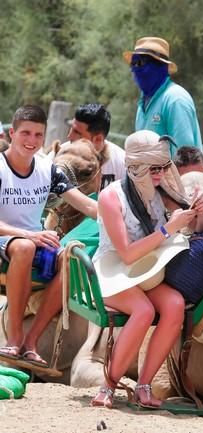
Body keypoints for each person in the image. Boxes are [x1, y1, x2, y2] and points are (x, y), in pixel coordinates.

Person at [90, 130, 203, 408]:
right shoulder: (111, 197)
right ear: (135, 168)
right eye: (154, 168)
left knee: (175, 304)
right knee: (143, 310)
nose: (160, 174)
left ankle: (144, 385)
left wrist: (200, 212)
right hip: (112, 271)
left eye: (164, 167)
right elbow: (127, 254)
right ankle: (108, 386)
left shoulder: (162, 192)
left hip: (147, 271)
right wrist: (169, 228)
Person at [0, 105, 98, 369]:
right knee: (23, 248)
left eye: (38, 135)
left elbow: (88, 206)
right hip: (10, 238)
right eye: (25, 133)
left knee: (72, 259)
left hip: (33, 240)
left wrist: (126, 215)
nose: (32, 141)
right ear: (12, 133)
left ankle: (31, 341)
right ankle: (15, 336)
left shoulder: (48, 170)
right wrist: (28, 234)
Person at [123, 37, 203, 156]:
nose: (135, 69)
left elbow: (185, 156)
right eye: (132, 64)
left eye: (140, 63)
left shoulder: (175, 99)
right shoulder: (143, 104)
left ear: (161, 67)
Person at [63, 103, 126, 190]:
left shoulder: (122, 163)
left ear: (98, 139)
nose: (69, 136)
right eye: (71, 129)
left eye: (77, 132)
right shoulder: (60, 155)